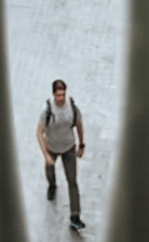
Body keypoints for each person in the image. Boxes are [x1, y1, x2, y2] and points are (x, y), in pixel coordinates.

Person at [36, 79, 86, 228]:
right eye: (58, 95)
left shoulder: (72, 108)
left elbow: (79, 125)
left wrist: (81, 144)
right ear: (53, 94)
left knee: (73, 182)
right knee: (50, 169)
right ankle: (52, 185)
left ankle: (75, 216)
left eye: (63, 94)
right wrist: (46, 155)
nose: (61, 98)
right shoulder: (47, 111)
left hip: (68, 148)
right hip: (51, 148)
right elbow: (39, 132)